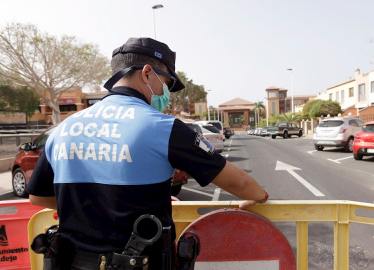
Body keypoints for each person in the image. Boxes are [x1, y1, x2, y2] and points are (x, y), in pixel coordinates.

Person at [26, 37, 268, 270]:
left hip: (73, 263)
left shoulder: (64, 129)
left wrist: (89, 206)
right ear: (147, 73)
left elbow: (38, 196)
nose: (168, 92)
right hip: (141, 262)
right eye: (168, 83)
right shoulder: (163, 127)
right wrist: (259, 196)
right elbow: (240, 182)